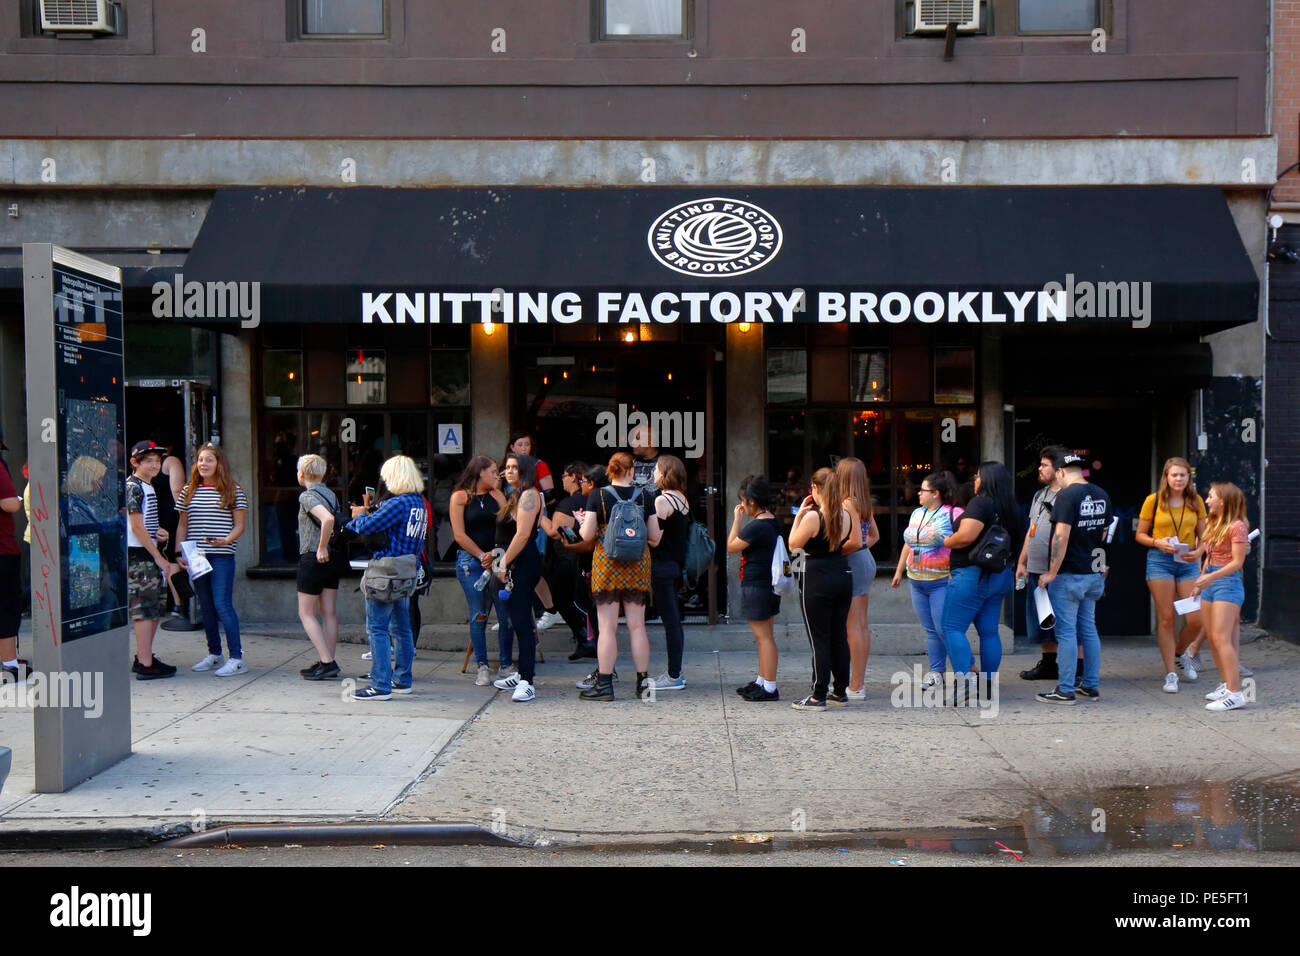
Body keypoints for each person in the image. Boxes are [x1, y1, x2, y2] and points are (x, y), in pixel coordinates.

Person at [576, 452, 661, 701]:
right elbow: (654, 538)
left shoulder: (598, 496)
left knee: (607, 628)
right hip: (638, 565)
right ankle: (644, 686)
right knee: (637, 626)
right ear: (631, 471)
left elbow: (587, 535)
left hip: (607, 565)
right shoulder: (647, 496)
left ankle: (604, 686)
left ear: (610, 472)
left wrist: (582, 521)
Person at [342, 455, 427, 700]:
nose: (385, 481)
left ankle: (380, 684)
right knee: (402, 628)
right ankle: (403, 679)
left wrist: (359, 515)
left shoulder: (397, 503)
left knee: (377, 628)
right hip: (407, 570)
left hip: (386, 572)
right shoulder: (418, 502)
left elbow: (368, 527)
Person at [941, 462, 1024, 698]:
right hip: (1000, 574)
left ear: (986, 479)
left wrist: (946, 541)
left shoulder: (981, 503)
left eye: (977, 476)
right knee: (989, 631)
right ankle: (988, 683)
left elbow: (966, 536)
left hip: (972, 574)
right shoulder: (1012, 508)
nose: (974, 480)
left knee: (952, 627)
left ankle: (965, 683)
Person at [1035, 453, 1113, 705]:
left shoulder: (1066, 496)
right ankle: (1090, 685)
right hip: (1092, 572)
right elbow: (1103, 534)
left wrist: (1051, 572)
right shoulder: (1102, 494)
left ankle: (1065, 689)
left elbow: (1061, 537)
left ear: (1060, 472)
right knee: (1088, 629)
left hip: (1069, 574)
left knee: (1066, 633)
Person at [788, 467, 861, 711]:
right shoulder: (847, 516)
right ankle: (840, 691)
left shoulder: (813, 517)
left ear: (816, 489)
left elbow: (794, 545)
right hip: (842, 573)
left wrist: (798, 515)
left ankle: (818, 695)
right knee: (838, 635)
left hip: (816, 576)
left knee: (819, 638)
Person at [1136, 457, 1208, 693]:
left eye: (1183, 475)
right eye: (1174, 475)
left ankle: (1180, 654)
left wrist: (1198, 551)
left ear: (1189, 478)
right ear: (1166, 477)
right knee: (1166, 618)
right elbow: (1140, 535)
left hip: (1187, 562)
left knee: (1196, 618)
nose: (1178, 479)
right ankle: (1170, 674)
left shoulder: (1196, 500)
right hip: (1160, 561)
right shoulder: (1154, 501)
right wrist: (1158, 542)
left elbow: (1204, 536)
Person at [176, 442, 248, 676]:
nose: (203, 464)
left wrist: (226, 540)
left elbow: (239, 526)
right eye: (200, 460)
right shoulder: (189, 490)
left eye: (209, 460)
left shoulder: (233, 490)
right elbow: (182, 525)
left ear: (219, 464)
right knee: (205, 605)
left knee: (222, 604)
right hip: (196, 556)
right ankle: (215, 654)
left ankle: (236, 658)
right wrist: (179, 553)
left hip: (222, 555)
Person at [1016, 446, 1082, 681]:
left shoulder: (1070, 495)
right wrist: (1022, 562)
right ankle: (1048, 664)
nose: (1040, 469)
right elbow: (1031, 530)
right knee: (1042, 618)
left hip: (1060, 568)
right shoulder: (1039, 495)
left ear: (1059, 469)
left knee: (1067, 619)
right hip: (1035, 565)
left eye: (1044, 465)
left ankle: (1078, 667)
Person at [449, 455, 514, 686]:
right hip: (472, 559)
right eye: (493, 471)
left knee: (505, 612)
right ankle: (482, 666)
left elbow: (509, 523)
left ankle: (505, 664)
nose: (497, 474)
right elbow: (459, 534)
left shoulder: (497, 495)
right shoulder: (460, 497)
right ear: (480, 473)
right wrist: (480, 555)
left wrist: (496, 555)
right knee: (479, 613)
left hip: (496, 558)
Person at [891, 470, 958, 689]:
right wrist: (899, 570)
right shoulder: (917, 513)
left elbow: (961, 542)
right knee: (930, 630)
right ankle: (936, 672)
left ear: (936, 493)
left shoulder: (952, 513)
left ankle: (967, 667)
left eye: (923, 490)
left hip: (940, 580)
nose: (918, 493)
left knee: (943, 628)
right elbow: (909, 544)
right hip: (916, 579)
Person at [489, 453, 547, 702]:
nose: (509, 471)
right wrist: (495, 555)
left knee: (522, 621)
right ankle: (522, 673)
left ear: (524, 470)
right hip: (513, 562)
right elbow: (508, 535)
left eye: (514, 467)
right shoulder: (516, 495)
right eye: (507, 467)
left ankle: (527, 680)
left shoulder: (530, 495)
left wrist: (503, 561)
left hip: (523, 563)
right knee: (514, 619)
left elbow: (522, 535)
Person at [1195, 482, 1252, 712]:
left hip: (1227, 584)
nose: (1207, 501)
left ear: (1224, 501)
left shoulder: (1237, 527)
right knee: (1212, 636)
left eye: (1211, 497)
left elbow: (1237, 562)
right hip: (1210, 580)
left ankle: (1236, 693)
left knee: (1221, 638)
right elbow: (1208, 556)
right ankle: (1227, 685)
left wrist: (1210, 578)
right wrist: (1201, 580)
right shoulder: (1212, 522)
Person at [125, 441, 177, 680]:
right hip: (140, 555)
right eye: (148, 461)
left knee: (154, 608)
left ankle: (145, 656)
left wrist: (157, 532)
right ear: (134, 463)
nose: (155, 465)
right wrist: (158, 557)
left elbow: (141, 523)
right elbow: (135, 525)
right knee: (145, 609)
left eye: (157, 461)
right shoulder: (134, 486)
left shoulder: (147, 486)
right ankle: (145, 662)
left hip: (147, 551)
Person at [728, 476, 782, 701]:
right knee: (765, 636)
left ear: (750, 502)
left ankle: (769, 686)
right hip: (768, 585)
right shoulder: (773, 521)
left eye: (743, 501)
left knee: (764, 638)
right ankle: (762, 680)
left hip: (756, 585)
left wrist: (736, 519)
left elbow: (731, 546)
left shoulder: (757, 526)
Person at [504, 433, 564, 632]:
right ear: (511, 447)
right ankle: (511, 615)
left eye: (527, 444)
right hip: (511, 529)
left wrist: (536, 511)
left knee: (533, 568)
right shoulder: (508, 480)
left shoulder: (533, 482)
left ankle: (547, 610)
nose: (523, 448)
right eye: (519, 444)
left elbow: (549, 495)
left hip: (528, 528)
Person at [295, 454, 345, 681]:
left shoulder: (307, 496)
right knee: (329, 612)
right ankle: (328, 660)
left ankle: (327, 660)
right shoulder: (331, 494)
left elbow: (327, 520)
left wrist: (321, 547)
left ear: (302, 474)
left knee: (306, 613)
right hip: (333, 560)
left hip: (313, 557)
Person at [543, 461, 597, 660]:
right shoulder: (595, 499)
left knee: (563, 599)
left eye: (564, 476)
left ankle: (585, 638)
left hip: (568, 558)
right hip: (590, 558)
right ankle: (588, 639)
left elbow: (554, 532)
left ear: (574, 477)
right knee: (586, 601)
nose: (562, 480)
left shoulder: (568, 503)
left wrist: (538, 512)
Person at [836, 457, 880, 700]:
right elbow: (874, 536)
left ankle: (856, 685)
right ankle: (858, 682)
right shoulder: (862, 503)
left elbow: (852, 541)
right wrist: (862, 548)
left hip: (854, 562)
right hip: (865, 559)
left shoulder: (847, 504)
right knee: (861, 625)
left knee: (853, 626)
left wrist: (835, 552)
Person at [647, 454, 691, 692]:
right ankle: (675, 672)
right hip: (675, 565)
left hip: (662, 566)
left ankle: (674, 674)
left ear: (664, 474)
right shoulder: (682, 499)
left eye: (656, 470)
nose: (653, 474)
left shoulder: (662, 502)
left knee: (670, 621)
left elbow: (654, 540)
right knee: (674, 620)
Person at [0, 434, 26, 683]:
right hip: (2, 549)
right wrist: (17, 499)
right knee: (7, 606)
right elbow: (9, 504)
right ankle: (9, 663)